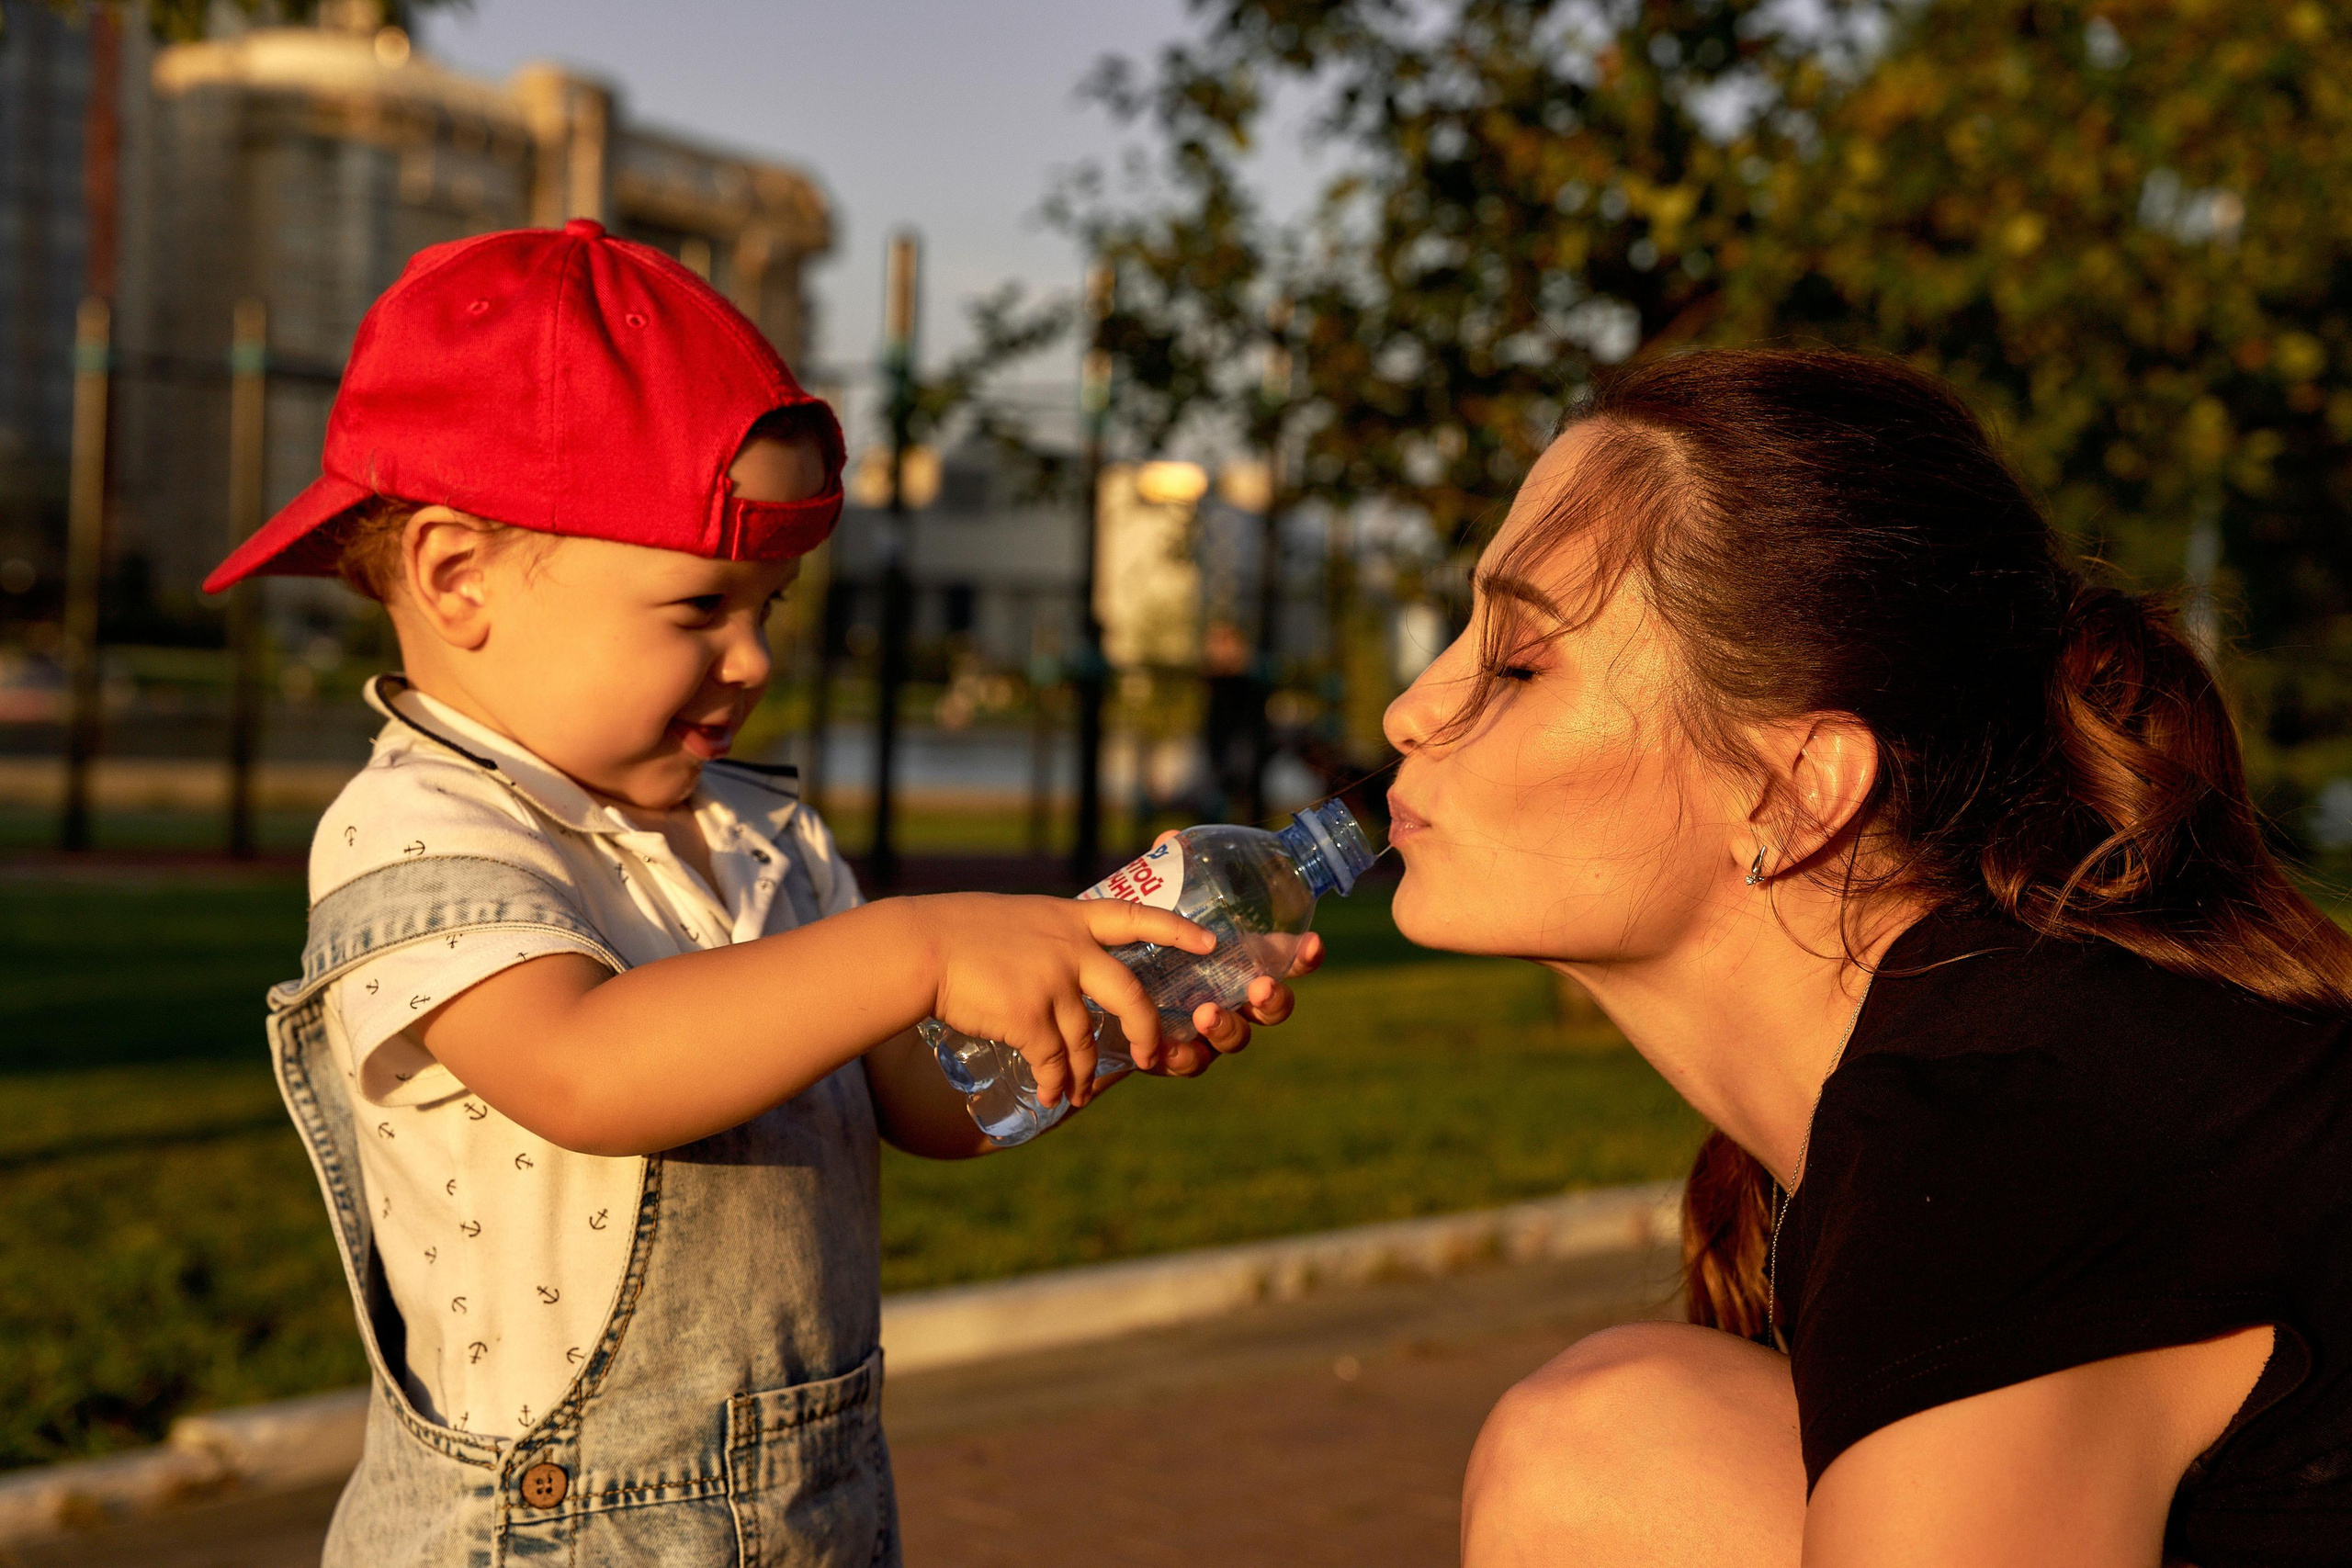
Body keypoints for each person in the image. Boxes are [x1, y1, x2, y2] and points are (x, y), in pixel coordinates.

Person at [205, 220, 1318, 1566]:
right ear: (457, 577)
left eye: (772, 608)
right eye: (699, 612)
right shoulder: (415, 829)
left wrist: (1081, 1019)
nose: (754, 660)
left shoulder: (757, 834)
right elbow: (584, 1069)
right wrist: (911, 946)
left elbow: (907, 1096)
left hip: (808, 1513)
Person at [1381, 348, 2352, 1566]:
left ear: (1792, 788)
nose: (1411, 710)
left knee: (1600, 1447)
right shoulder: (2005, 1070)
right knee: (1612, 1443)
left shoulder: (2005, 1144)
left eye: (1518, 662)